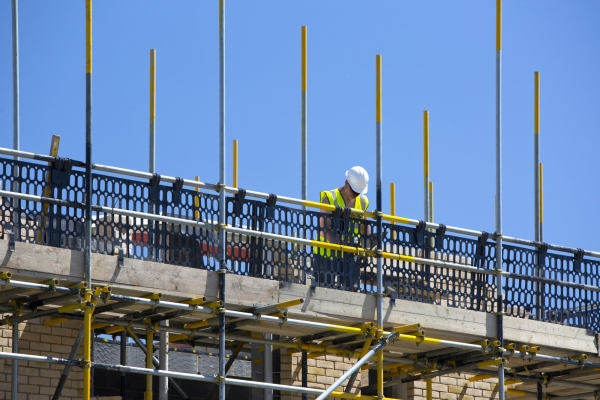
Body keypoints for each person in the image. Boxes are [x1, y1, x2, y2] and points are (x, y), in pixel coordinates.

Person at [315, 166, 369, 291]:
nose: (356, 195)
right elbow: (323, 229)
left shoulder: (362, 201)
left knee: (352, 294)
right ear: (346, 183)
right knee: (322, 293)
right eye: (354, 191)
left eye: (358, 192)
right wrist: (342, 243)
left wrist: (366, 244)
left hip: (349, 258)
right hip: (326, 256)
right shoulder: (329, 197)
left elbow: (364, 228)